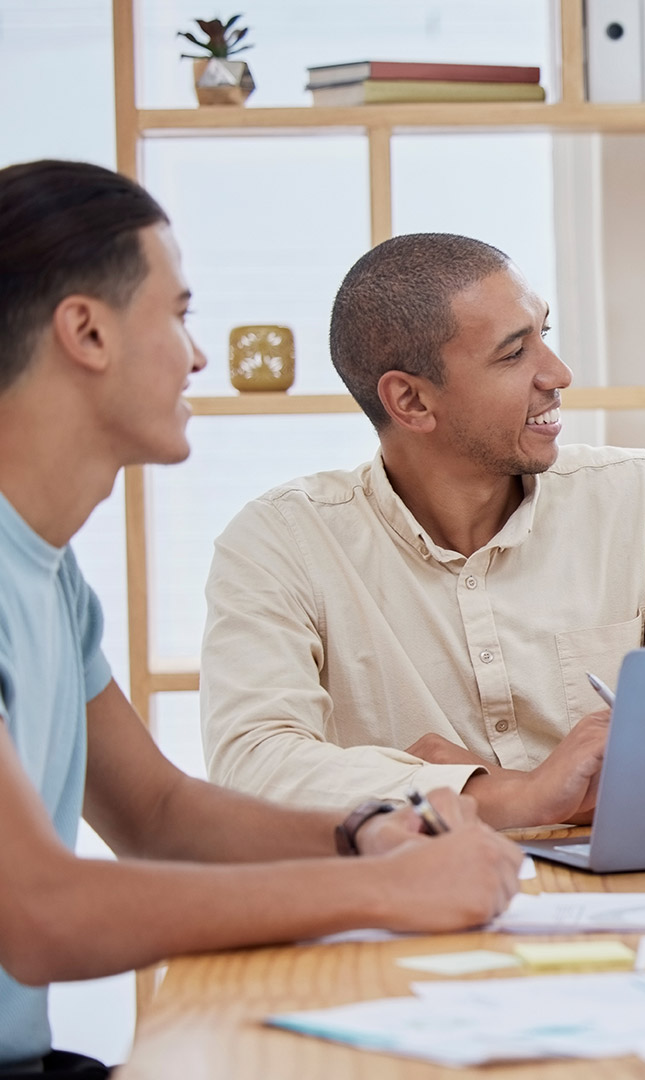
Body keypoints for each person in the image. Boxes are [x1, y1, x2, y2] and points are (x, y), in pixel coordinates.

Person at [0, 159, 524, 1077]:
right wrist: (382, 891)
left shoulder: (47, 576)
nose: (198, 356)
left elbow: (157, 814)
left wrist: (359, 830)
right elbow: (39, 916)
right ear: (86, 331)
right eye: (179, 315)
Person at [199, 233, 645, 828]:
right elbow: (254, 768)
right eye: (513, 354)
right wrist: (519, 798)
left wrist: (477, 795)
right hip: (420, 906)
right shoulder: (280, 543)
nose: (558, 373)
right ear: (411, 402)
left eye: (543, 335)